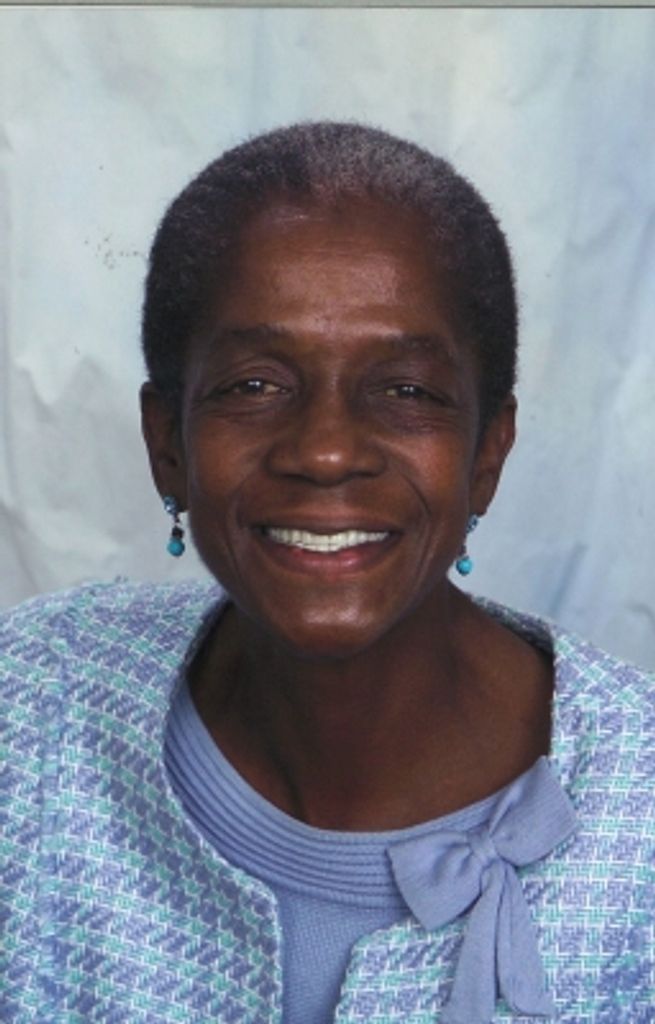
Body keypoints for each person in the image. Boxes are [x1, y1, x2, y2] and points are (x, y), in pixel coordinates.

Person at [1, 122, 653, 1024]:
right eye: (254, 385)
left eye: (406, 390)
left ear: (485, 455)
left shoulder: (638, 814)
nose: (324, 451)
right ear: (167, 445)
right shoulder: (32, 705)